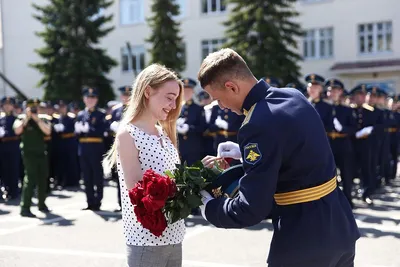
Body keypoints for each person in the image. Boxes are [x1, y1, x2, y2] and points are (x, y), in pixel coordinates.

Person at [197, 48, 360, 267]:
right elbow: (300, 155)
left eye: (218, 99)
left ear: (232, 87)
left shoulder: (255, 124)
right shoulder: (292, 96)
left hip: (303, 240)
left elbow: (250, 209)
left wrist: (210, 208)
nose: (221, 106)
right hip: (339, 226)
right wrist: (245, 155)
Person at [102, 64, 186, 267]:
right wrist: (177, 187)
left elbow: (174, 177)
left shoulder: (163, 133)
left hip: (174, 235)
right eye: (169, 97)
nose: (173, 105)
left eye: (175, 98)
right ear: (148, 91)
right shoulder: (128, 134)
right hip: (146, 238)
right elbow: (137, 192)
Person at [13, 98, 52, 217]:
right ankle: (25, 207)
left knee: (43, 179)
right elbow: (17, 130)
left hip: (41, 152)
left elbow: (48, 131)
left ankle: (42, 204)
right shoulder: (21, 119)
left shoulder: (43, 118)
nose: (34, 109)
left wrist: (37, 119)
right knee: (30, 179)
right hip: (28, 153)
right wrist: (27, 118)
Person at [75, 87, 107, 211]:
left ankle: (98, 201)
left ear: (96, 99)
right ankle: (89, 201)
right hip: (83, 148)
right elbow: (77, 133)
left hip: (96, 147)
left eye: (93, 98)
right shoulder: (81, 114)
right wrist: (78, 131)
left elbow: (102, 131)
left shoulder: (100, 114)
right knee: (86, 176)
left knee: (97, 175)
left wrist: (90, 129)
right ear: (84, 99)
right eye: (88, 98)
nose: (90, 100)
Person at [108, 85, 132, 212]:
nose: (126, 97)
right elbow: (110, 126)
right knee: (119, 177)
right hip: (119, 146)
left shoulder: (135, 109)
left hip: (132, 146)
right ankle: (121, 203)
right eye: (124, 95)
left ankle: (131, 203)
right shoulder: (116, 110)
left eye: (128, 95)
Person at [0, 97, 20, 200]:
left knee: (13, 169)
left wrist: (6, 134)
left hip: (13, 146)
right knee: (4, 170)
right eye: (5, 105)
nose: (7, 106)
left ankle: (14, 191)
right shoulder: (1, 119)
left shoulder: (16, 118)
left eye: (9, 105)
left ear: (13, 106)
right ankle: (6, 189)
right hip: (2, 147)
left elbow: (17, 132)